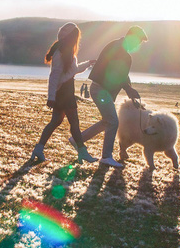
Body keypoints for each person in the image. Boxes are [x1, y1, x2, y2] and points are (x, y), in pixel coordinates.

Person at [75, 25, 147, 168]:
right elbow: (116, 74)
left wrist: (130, 91)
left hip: (101, 89)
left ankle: (78, 140)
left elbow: (123, 75)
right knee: (113, 121)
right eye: (138, 42)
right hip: (101, 89)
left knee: (107, 121)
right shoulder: (119, 51)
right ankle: (106, 156)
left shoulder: (118, 48)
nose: (137, 45)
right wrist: (129, 90)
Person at [30, 22, 97, 163]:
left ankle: (39, 148)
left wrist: (88, 64)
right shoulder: (61, 52)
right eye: (75, 36)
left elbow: (73, 70)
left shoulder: (66, 50)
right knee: (74, 122)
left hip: (66, 89)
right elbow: (54, 75)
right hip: (64, 91)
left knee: (56, 121)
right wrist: (51, 97)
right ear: (70, 36)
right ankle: (83, 152)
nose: (76, 39)